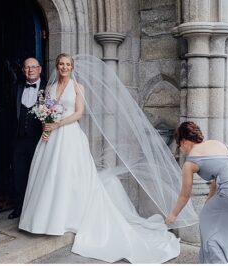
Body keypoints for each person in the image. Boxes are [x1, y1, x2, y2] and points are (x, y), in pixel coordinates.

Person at [18, 53, 181, 262]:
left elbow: (78, 113)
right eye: (61, 64)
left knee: (69, 175)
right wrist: (46, 126)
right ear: (57, 67)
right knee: (49, 175)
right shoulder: (49, 89)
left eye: (68, 65)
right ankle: (45, 220)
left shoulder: (78, 88)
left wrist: (57, 124)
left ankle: (68, 218)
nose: (64, 67)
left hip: (69, 135)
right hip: (50, 137)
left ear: (72, 67)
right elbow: (45, 111)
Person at [166, 121, 228, 264]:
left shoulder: (190, 163)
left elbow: (185, 195)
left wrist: (173, 214)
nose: (181, 150)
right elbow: (217, 180)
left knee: (207, 222)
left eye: (179, 145)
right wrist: (210, 202)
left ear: (184, 141)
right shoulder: (215, 143)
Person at [10, 58, 45, 219]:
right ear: (23, 71)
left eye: (33, 67)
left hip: (39, 140)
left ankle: (37, 209)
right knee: (19, 174)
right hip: (19, 139)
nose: (30, 70)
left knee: (39, 174)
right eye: (27, 67)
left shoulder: (47, 89)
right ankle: (20, 207)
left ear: (40, 69)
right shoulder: (16, 88)